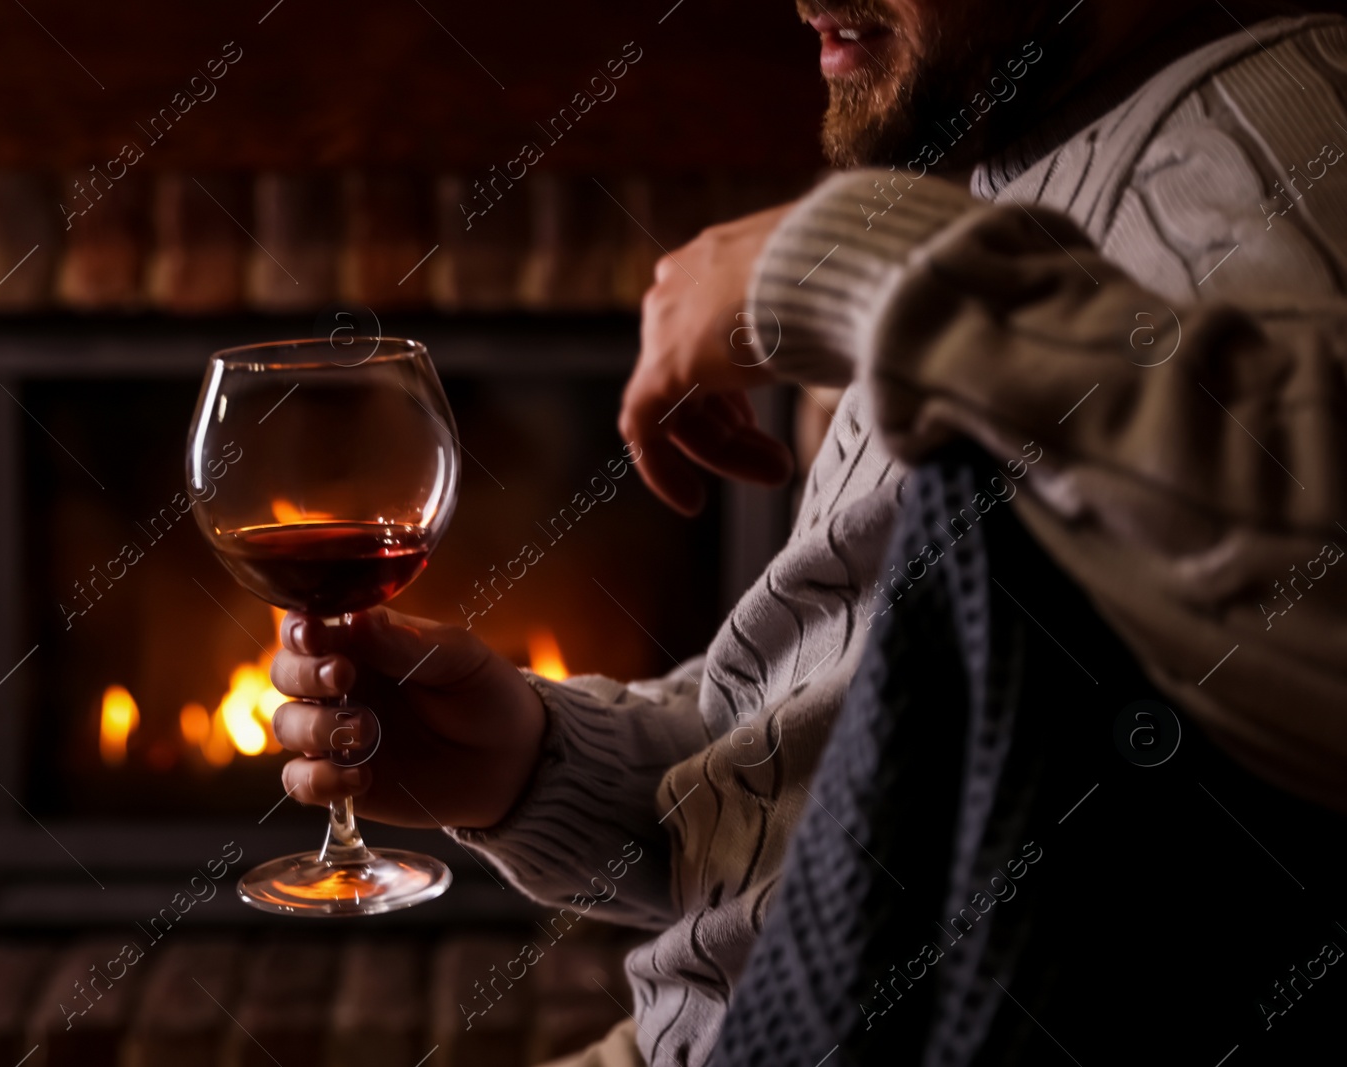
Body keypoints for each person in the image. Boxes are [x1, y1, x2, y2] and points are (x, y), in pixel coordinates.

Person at [271, 0, 1347, 1063]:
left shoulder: (1255, 144)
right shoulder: (1020, 146)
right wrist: (536, 764)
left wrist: (857, 264)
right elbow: (853, 782)